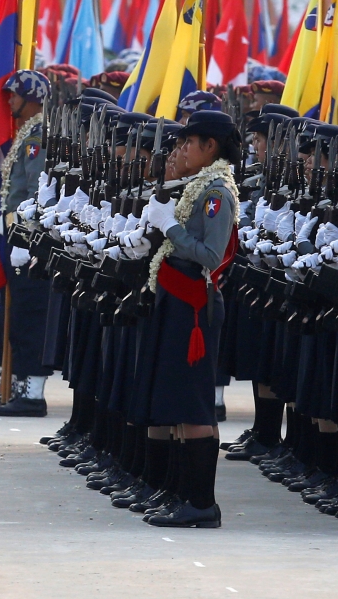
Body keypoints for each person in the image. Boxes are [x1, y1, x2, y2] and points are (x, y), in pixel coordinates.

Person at [135, 110, 241, 528]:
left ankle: (201, 503)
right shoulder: (196, 187)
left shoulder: (216, 193)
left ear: (210, 147)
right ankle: (181, 493)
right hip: (177, 302)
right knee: (177, 402)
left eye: (188, 143)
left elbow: (211, 256)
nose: (180, 150)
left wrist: (170, 229)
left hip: (196, 307)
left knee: (195, 406)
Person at [0, 70, 54, 417]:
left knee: (30, 316)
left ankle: (32, 393)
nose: (10, 102)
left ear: (30, 97)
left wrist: (27, 238)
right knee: (18, 316)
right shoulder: (27, 133)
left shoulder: (37, 137)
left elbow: (35, 191)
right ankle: (19, 385)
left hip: (28, 240)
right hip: (18, 235)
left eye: (14, 95)